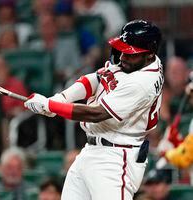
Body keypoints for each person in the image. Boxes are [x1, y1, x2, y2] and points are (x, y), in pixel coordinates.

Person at [24, 19, 163, 199]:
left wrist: (51, 106)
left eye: (131, 54)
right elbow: (97, 78)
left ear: (149, 54)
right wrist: (61, 98)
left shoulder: (142, 83)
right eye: (123, 51)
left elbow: (97, 113)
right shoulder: (138, 63)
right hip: (91, 150)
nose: (123, 58)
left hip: (115, 158)